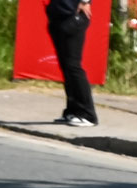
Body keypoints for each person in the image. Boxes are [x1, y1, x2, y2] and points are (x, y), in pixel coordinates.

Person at [46, 0, 97, 128]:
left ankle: (87, 114)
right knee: (66, 67)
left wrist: (85, 1)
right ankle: (73, 111)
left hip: (73, 16)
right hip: (59, 15)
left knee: (73, 66)